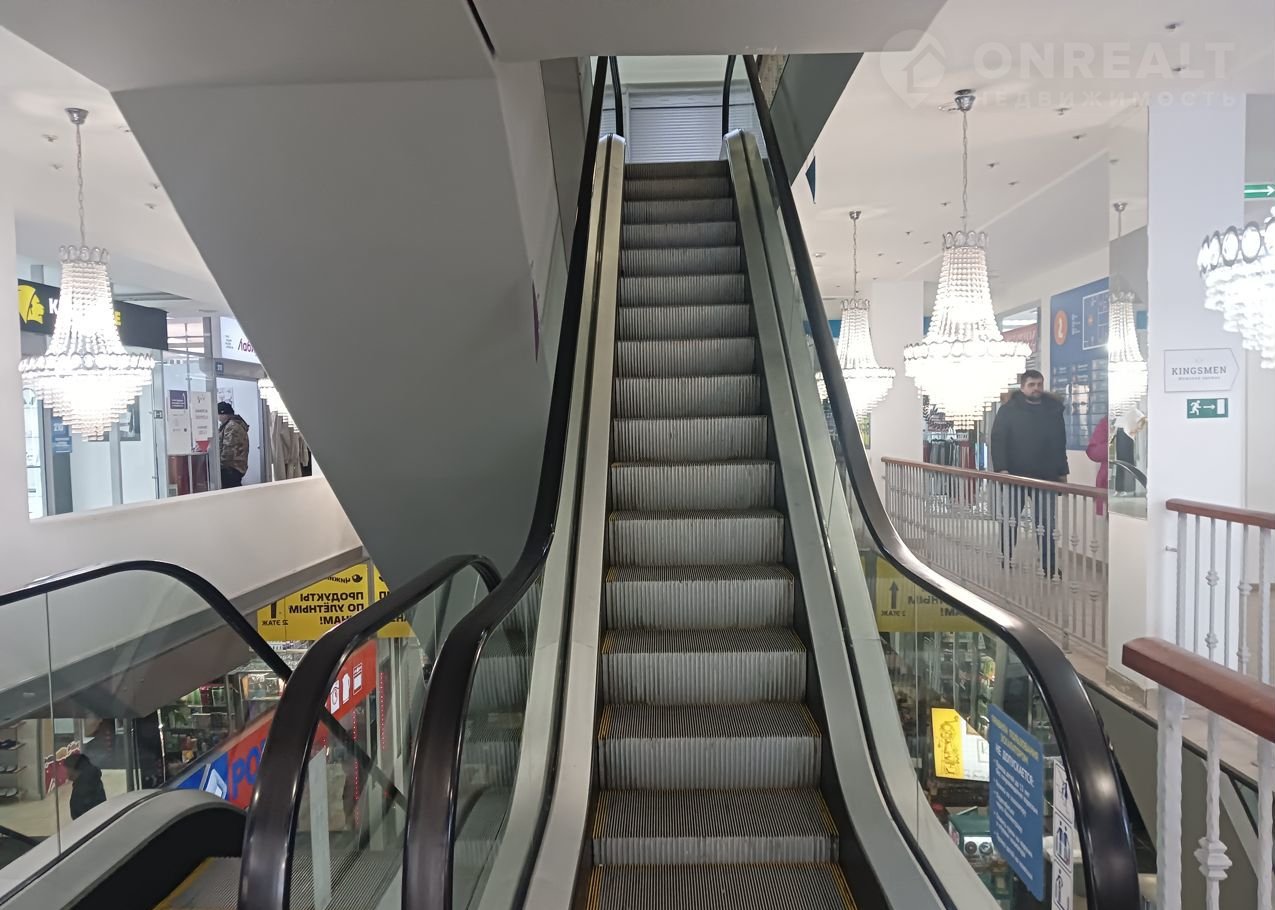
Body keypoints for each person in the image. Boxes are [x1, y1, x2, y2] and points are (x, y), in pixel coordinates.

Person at [990, 370, 1068, 577]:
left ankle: (1049, 564)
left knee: (1046, 523)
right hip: (1015, 475)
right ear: (1023, 386)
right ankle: (1005, 556)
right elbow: (998, 440)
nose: (1036, 388)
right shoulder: (1009, 410)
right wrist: (1002, 469)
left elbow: (1059, 443)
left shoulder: (1052, 410)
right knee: (1010, 520)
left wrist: (1062, 472)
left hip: (1046, 476)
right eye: (1032, 384)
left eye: (1039, 384)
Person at [217, 401, 250, 488]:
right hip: (234, 467)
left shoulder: (231, 426)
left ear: (224, 414)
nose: (218, 417)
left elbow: (228, 450)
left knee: (231, 491)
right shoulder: (231, 424)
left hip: (231, 469)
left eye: (218, 414)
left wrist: (219, 466)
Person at [65, 753, 106, 820]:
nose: (66, 772)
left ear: (74, 769)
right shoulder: (92, 780)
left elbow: (80, 816)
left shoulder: (82, 790)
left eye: (67, 768)